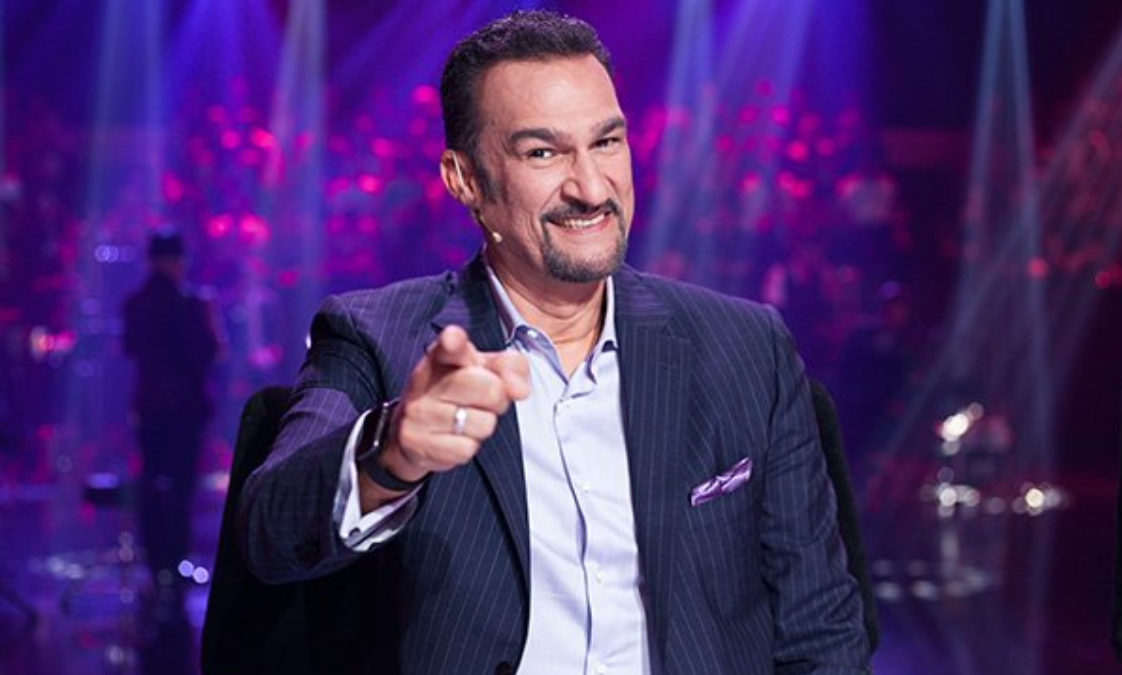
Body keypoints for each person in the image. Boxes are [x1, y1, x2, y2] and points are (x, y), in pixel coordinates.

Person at [240, 10, 870, 674]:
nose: (591, 188)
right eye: (543, 153)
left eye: (606, 142)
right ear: (465, 180)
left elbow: (820, 624)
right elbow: (270, 535)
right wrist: (392, 453)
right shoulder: (376, 337)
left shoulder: (745, 347)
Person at [123, 230, 219, 601]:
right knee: (180, 488)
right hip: (184, 409)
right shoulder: (192, 304)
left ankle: (156, 564)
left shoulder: (137, 303)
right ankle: (176, 561)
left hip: (151, 407)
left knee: (153, 484)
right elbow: (209, 351)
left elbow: (130, 348)